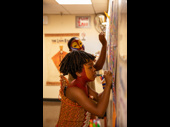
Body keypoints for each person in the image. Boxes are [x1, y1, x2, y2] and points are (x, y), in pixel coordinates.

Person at [56, 50, 112, 127]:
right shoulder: (75, 90)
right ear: (78, 73)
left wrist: (107, 87)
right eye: (90, 67)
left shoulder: (84, 85)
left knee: (94, 122)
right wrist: (108, 85)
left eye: (93, 66)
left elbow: (98, 97)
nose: (94, 69)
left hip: (86, 118)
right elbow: (100, 112)